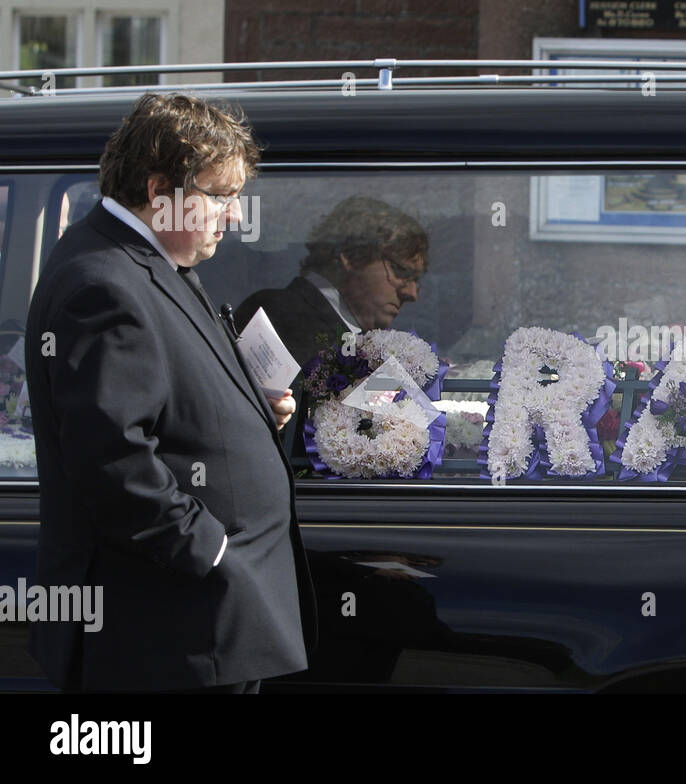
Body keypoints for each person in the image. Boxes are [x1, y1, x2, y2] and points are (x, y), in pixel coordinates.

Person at [24, 93, 316, 693]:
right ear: (160, 191)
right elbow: (110, 459)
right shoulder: (104, 283)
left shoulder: (149, 262)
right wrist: (209, 552)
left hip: (199, 628)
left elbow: (164, 403)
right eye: (220, 197)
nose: (233, 217)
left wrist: (248, 413)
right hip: (169, 631)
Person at [235, 195, 428, 364]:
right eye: (401, 271)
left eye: (416, 280)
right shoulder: (278, 314)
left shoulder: (350, 333)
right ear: (352, 255)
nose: (411, 294)